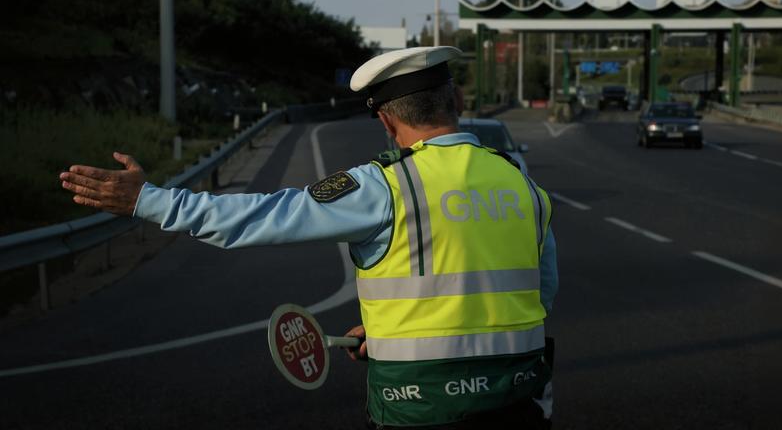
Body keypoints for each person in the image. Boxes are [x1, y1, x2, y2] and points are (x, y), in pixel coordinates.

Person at [59, 46, 558, 429]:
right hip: (518, 405)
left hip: (418, 412)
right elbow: (538, 294)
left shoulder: (384, 185)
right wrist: (391, 335)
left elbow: (261, 217)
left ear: (385, 119)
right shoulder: (522, 183)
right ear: (459, 100)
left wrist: (148, 200)